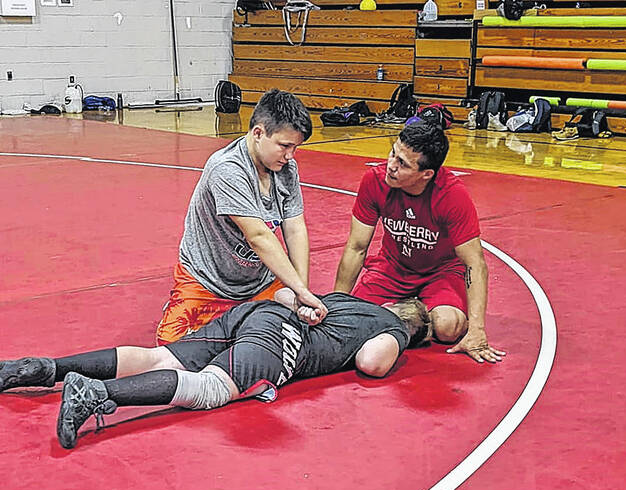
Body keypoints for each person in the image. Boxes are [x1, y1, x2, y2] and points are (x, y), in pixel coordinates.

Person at [0, 292, 431, 450]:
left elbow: (286, 296)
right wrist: (399, 346)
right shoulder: (393, 329)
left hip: (255, 312)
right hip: (282, 345)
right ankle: (94, 395)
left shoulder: (345, 299)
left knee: (161, 356)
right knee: (208, 388)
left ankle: (40, 369)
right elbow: (371, 364)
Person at [156, 88, 328, 345]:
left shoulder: (286, 169)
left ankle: (253, 309)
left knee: (299, 332)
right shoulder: (227, 169)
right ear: (258, 133)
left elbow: (295, 228)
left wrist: (299, 290)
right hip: (208, 280)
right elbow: (258, 236)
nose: (290, 155)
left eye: (295, 147)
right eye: (284, 146)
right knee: (171, 345)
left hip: (259, 281)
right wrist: (301, 292)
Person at [333, 122, 505, 364]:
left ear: (426, 174)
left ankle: (408, 314)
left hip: (441, 272)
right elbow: (356, 247)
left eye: (403, 163)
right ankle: (411, 314)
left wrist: (477, 329)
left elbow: (474, 262)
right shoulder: (374, 180)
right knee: (352, 318)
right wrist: (337, 303)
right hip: (392, 268)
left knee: (448, 327)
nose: (391, 166)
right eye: (393, 153)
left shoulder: (452, 195)